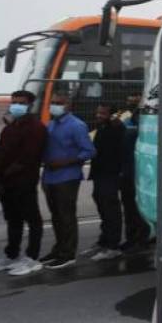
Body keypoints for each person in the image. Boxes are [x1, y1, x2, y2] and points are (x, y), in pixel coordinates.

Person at [0, 90, 47, 277]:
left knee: (32, 219)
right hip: (7, 183)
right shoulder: (10, 127)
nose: (16, 105)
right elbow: (1, 153)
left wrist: (5, 173)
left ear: (30, 105)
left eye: (21, 103)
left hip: (24, 181)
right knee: (13, 219)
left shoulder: (35, 127)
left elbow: (28, 157)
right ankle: (12, 254)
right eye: (14, 102)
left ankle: (32, 257)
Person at [41, 93, 96, 269]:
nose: (55, 106)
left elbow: (89, 151)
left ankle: (68, 253)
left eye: (59, 103)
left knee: (66, 216)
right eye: (53, 103)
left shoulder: (76, 125)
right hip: (49, 176)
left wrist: (66, 162)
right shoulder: (51, 124)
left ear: (69, 105)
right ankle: (58, 249)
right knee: (56, 216)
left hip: (67, 177)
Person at [86, 104, 127, 261]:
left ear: (111, 114)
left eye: (103, 113)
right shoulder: (102, 127)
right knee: (102, 206)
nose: (98, 115)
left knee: (110, 210)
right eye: (98, 112)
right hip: (99, 174)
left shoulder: (116, 128)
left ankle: (112, 246)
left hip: (110, 174)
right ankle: (104, 241)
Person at [119, 93, 150, 251]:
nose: (131, 100)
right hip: (128, 173)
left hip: (138, 174)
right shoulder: (125, 120)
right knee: (130, 208)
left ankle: (140, 238)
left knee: (137, 209)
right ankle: (133, 237)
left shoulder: (138, 128)